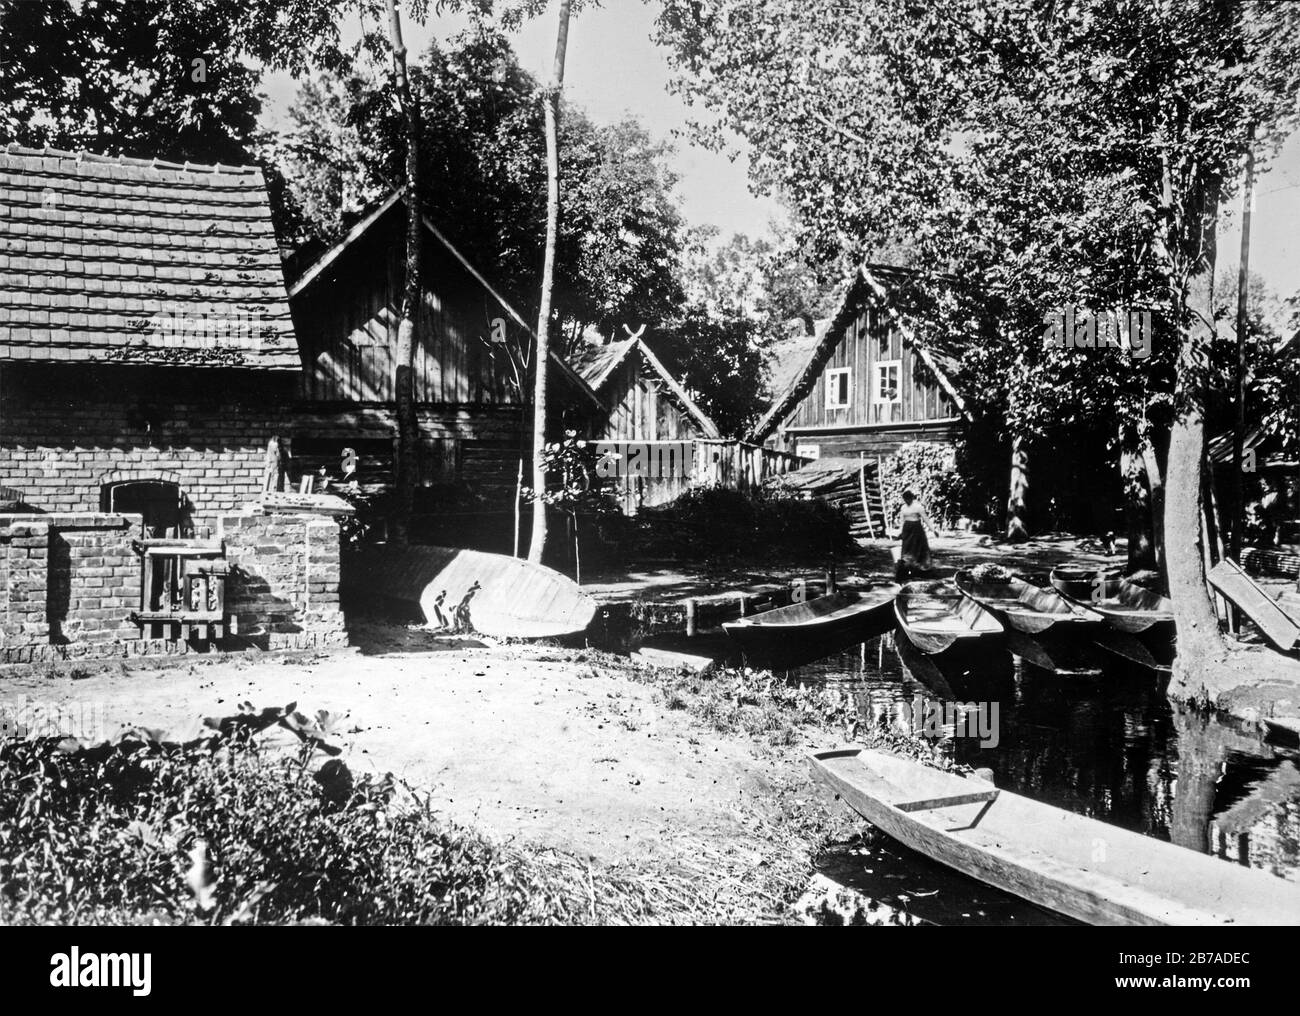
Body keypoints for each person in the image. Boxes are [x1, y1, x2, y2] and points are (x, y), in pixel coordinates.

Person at [894, 489, 934, 579]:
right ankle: (907, 569)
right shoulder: (903, 508)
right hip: (907, 530)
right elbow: (902, 521)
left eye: (908, 499)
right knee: (907, 550)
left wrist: (933, 529)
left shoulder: (918, 507)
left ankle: (922, 569)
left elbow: (925, 518)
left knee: (918, 549)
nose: (907, 501)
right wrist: (900, 532)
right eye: (905, 499)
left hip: (916, 529)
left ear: (912, 498)